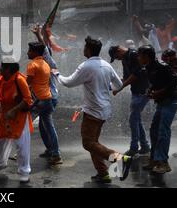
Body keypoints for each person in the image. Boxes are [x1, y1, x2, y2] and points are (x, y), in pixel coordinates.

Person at [55, 36, 132, 184]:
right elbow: (119, 85)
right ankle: (103, 173)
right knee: (94, 143)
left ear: (89, 50)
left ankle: (120, 159)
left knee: (88, 143)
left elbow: (68, 82)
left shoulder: (86, 66)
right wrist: (107, 86)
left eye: (85, 47)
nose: (83, 49)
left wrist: (57, 74)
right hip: (104, 109)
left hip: (93, 111)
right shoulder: (106, 65)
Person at [0, 62, 33, 183]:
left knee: (21, 145)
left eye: (2, 67)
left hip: (19, 116)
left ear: (8, 69)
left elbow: (28, 100)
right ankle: (0, 164)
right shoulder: (1, 78)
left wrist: (14, 110)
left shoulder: (20, 80)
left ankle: (24, 171)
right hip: (5, 115)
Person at [137, 45, 177, 174]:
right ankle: (155, 159)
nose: (138, 58)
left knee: (163, 130)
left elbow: (175, 81)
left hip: (171, 101)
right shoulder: (148, 68)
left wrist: (160, 92)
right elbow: (156, 82)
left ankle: (164, 162)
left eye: (140, 55)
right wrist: (150, 90)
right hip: (161, 102)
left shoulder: (162, 66)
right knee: (154, 129)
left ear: (146, 56)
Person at [109, 45, 151, 156]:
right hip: (136, 92)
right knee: (136, 119)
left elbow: (136, 74)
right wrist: (112, 85)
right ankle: (145, 146)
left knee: (133, 119)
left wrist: (120, 88)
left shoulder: (133, 54)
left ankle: (134, 147)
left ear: (119, 50)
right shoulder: (124, 60)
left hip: (143, 91)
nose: (117, 59)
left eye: (116, 56)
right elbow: (125, 77)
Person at [27, 41, 62, 165]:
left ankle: (21, 151)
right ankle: (52, 151)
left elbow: (27, 84)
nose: (27, 52)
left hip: (42, 99)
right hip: (47, 98)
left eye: (30, 50)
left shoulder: (35, 64)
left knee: (25, 125)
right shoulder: (47, 65)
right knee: (45, 126)